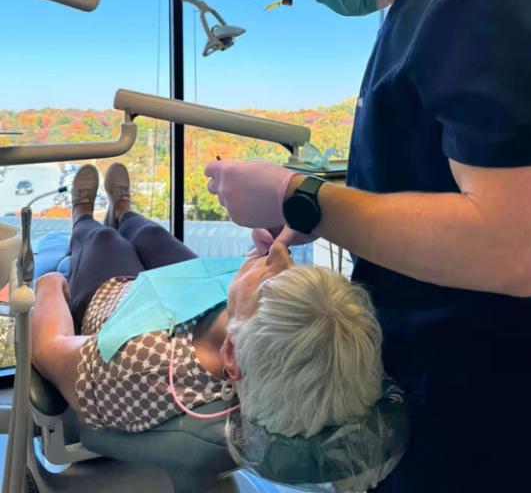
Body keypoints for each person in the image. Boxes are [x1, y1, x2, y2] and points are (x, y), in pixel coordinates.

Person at [204, 0, 531, 492]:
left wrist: (300, 194)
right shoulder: (406, 18)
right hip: (425, 386)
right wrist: (303, 221)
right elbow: (418, 184)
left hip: (487, 415)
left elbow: (516, 251)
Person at [31, 162, 385, 442]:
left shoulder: (142, 365)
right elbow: (262, 315)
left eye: (272, 282)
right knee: (150, 233)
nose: (281, 253)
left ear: (231, 354)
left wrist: (48, 287)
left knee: (104, 241)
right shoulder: (259, 345)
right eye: (294, 270)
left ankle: (82, 215)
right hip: (198, 298)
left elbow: (49, 349)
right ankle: (124, 210)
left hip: (116, 303)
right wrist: (261, 263)